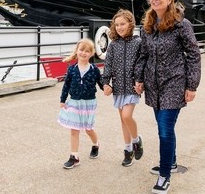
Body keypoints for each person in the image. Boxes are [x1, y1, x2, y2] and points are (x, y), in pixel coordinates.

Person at [134, 0, 201, 194]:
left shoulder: (182, 25)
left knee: (164, 129)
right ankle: (170, 162)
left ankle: (164, 176)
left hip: (174, 82)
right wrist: (139, 78)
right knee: (164, 127)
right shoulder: (148, 25)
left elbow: (193, 54)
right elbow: (143, 54)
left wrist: (192, 85)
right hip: (154, 86)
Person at [101, 9, 144, 167]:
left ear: (130, 24)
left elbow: (142, 63)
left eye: (122, 24)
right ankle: (127, 150)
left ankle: (136, 140)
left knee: (127, 116)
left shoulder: (138, 42)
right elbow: (108, 65)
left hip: (133, 87)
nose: (119, 27)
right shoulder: (113, 45)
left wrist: (141, 81)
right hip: (118, 86)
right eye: (117, 24)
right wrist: (105, 83)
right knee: (122, 120)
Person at [58, 38, 103, 169]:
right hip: (74, 102)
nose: (84, 53)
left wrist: (108, 88)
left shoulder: (94, 69)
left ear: (92, 53)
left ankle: (96, 144)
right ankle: (74, 157)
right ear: (77, 51)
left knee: (89, 129)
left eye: (87, 51)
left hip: (89, 103)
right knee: (74, 130)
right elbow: (66, 85)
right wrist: (62, 100)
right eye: (81, 50)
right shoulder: (72, 69)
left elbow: (101, 84)